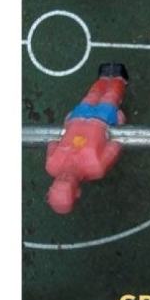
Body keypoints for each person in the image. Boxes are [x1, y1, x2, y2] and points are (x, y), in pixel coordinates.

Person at [45, 64, 128, 214]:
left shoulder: (52, 165)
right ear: (77, 191)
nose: (64, 176)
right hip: (103, 120)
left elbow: (53, 141)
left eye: (60, 180)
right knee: (112, 96)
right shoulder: (96, 167)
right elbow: (115, 145)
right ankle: (118, 78)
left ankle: (104, 78)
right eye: (67, 181)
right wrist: (119, 125)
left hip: (77, 119)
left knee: (93, 95)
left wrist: (67, 125)